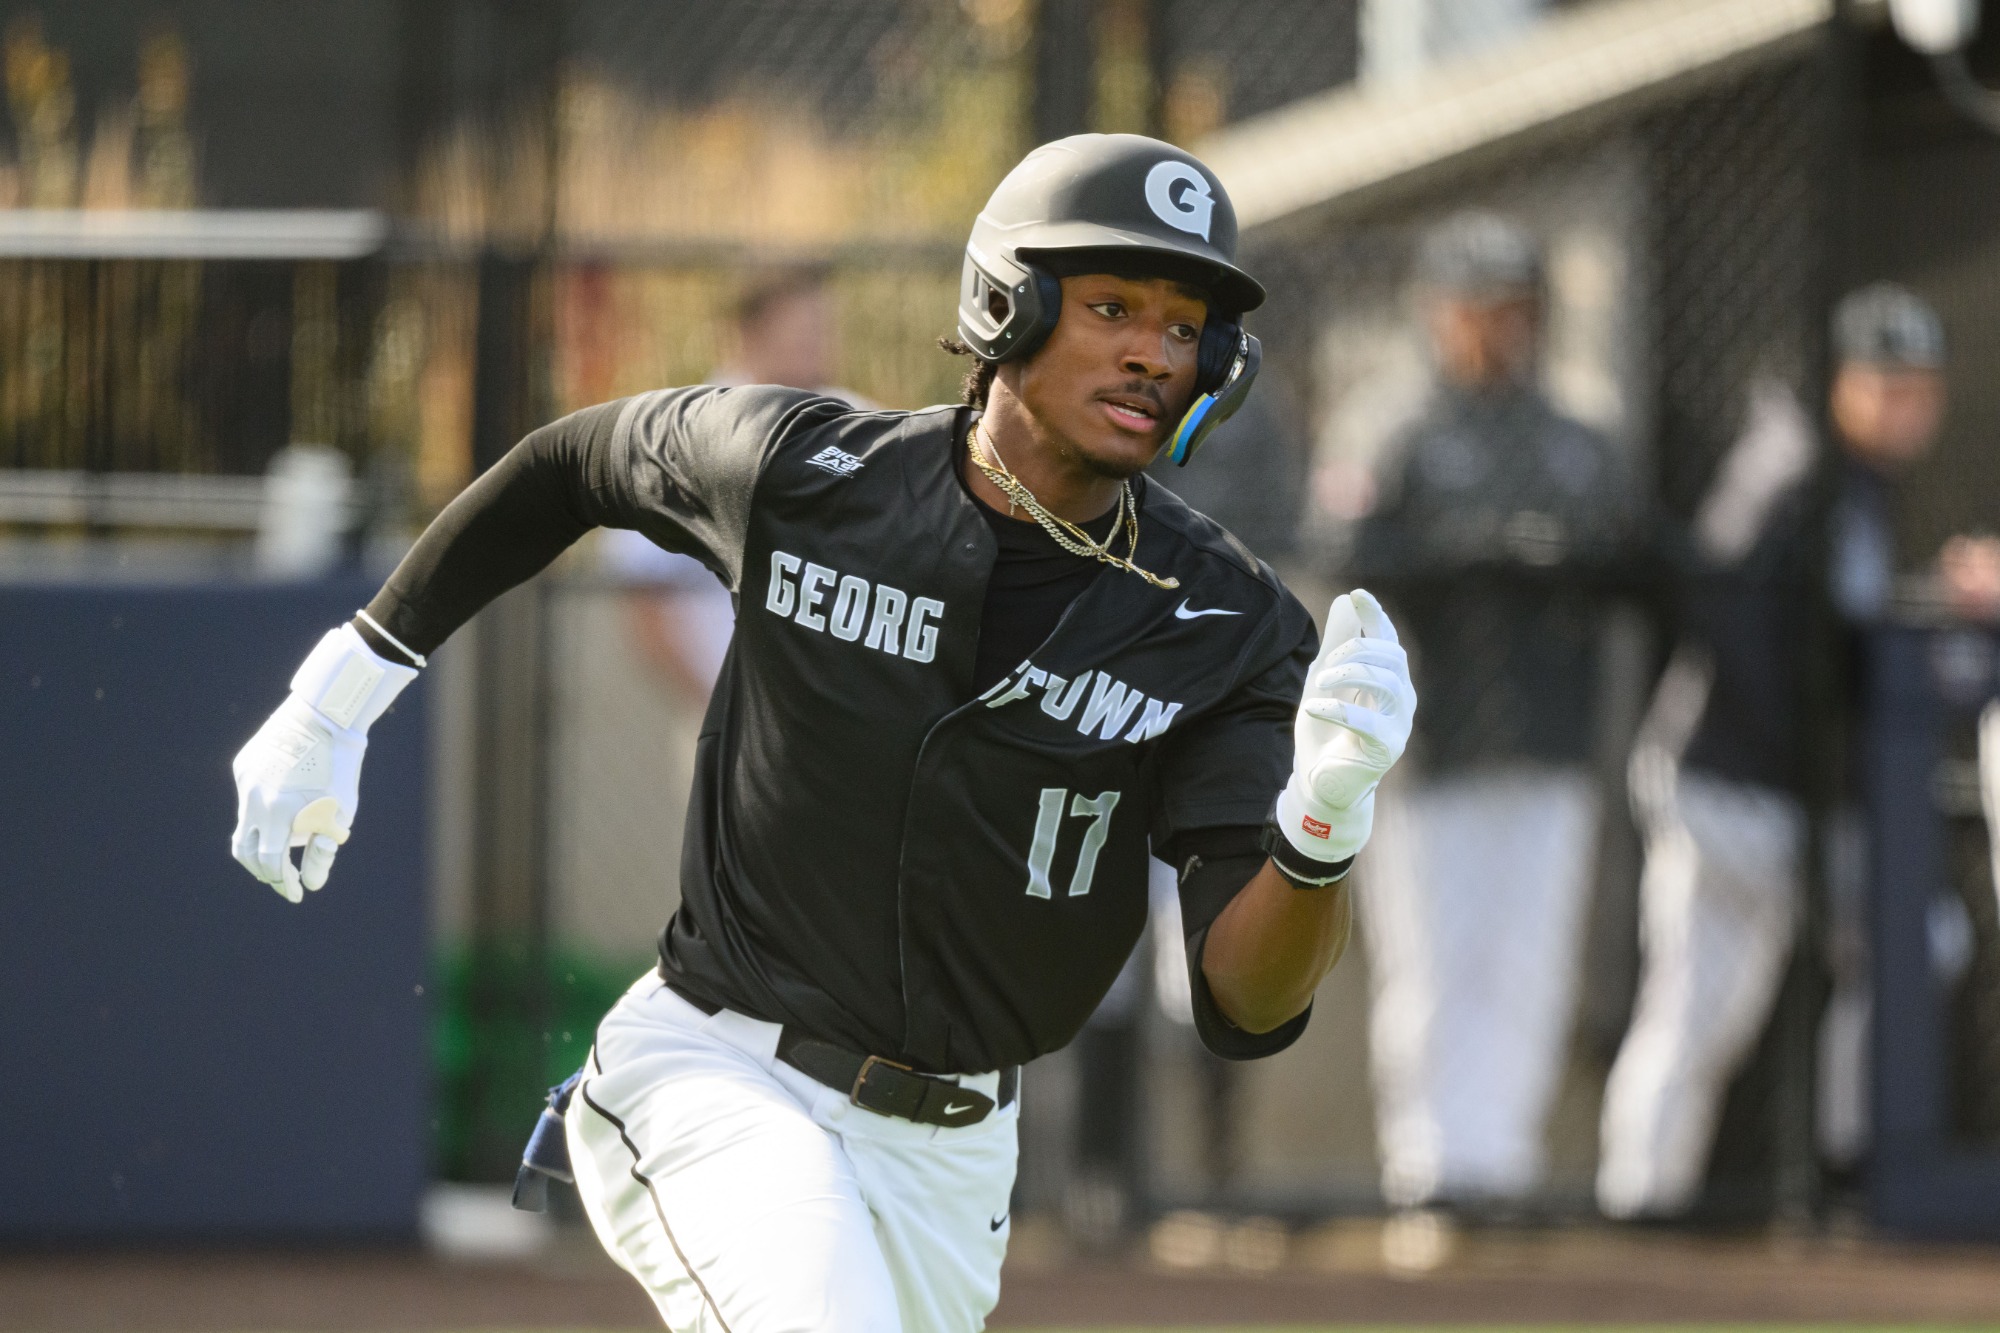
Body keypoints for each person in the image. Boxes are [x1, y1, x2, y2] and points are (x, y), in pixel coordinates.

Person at [227, 133, 1418, 1333]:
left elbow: (1246, 1005)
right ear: (1007, 301)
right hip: (722, 1073)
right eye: (1110, 305)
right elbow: (571, 462)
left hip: (955, 1161)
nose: (1150, 353)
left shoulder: (1225, 619)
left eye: (1181, 328)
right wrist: (344, 687)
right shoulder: (812, 472)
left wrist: (1322, 821)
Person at [1596, 282, 2000, 1217]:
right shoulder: (1789, 466)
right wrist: (1810, 743)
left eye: (1920, 387)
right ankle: (1688, 1198)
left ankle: (1817, 1170)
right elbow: (1717, 597)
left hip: (1782, 793)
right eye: (1886, 383)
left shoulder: (1853, 483)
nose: (1907, 406)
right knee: (1740, 992)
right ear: (1841, 382)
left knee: (1887, 950)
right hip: (1731, 784)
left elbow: (1840, 626)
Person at [1341, 210, 1634, 1218]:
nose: (1496, 331)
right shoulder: (1397, 427)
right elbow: (1344, 556)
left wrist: (1554, 555)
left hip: (1549, 736)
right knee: (1431, 963)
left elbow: (1639, 555)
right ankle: (1426, 1169)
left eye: (1513, 310)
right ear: (1436, 314)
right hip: (1431, 741)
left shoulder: (1572, 435)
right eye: (1478, 311)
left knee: (1530, 960)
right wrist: (1475, 551)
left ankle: (1499, 1163)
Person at [602, 266, 872, 702]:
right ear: (750, 334)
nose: (819, 341)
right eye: (802, 328)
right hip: (727, 716)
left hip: (834, 719)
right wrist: (714, 707)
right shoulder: (685, 436)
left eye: (823, 326)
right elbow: (645, 591)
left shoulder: (864, 427)